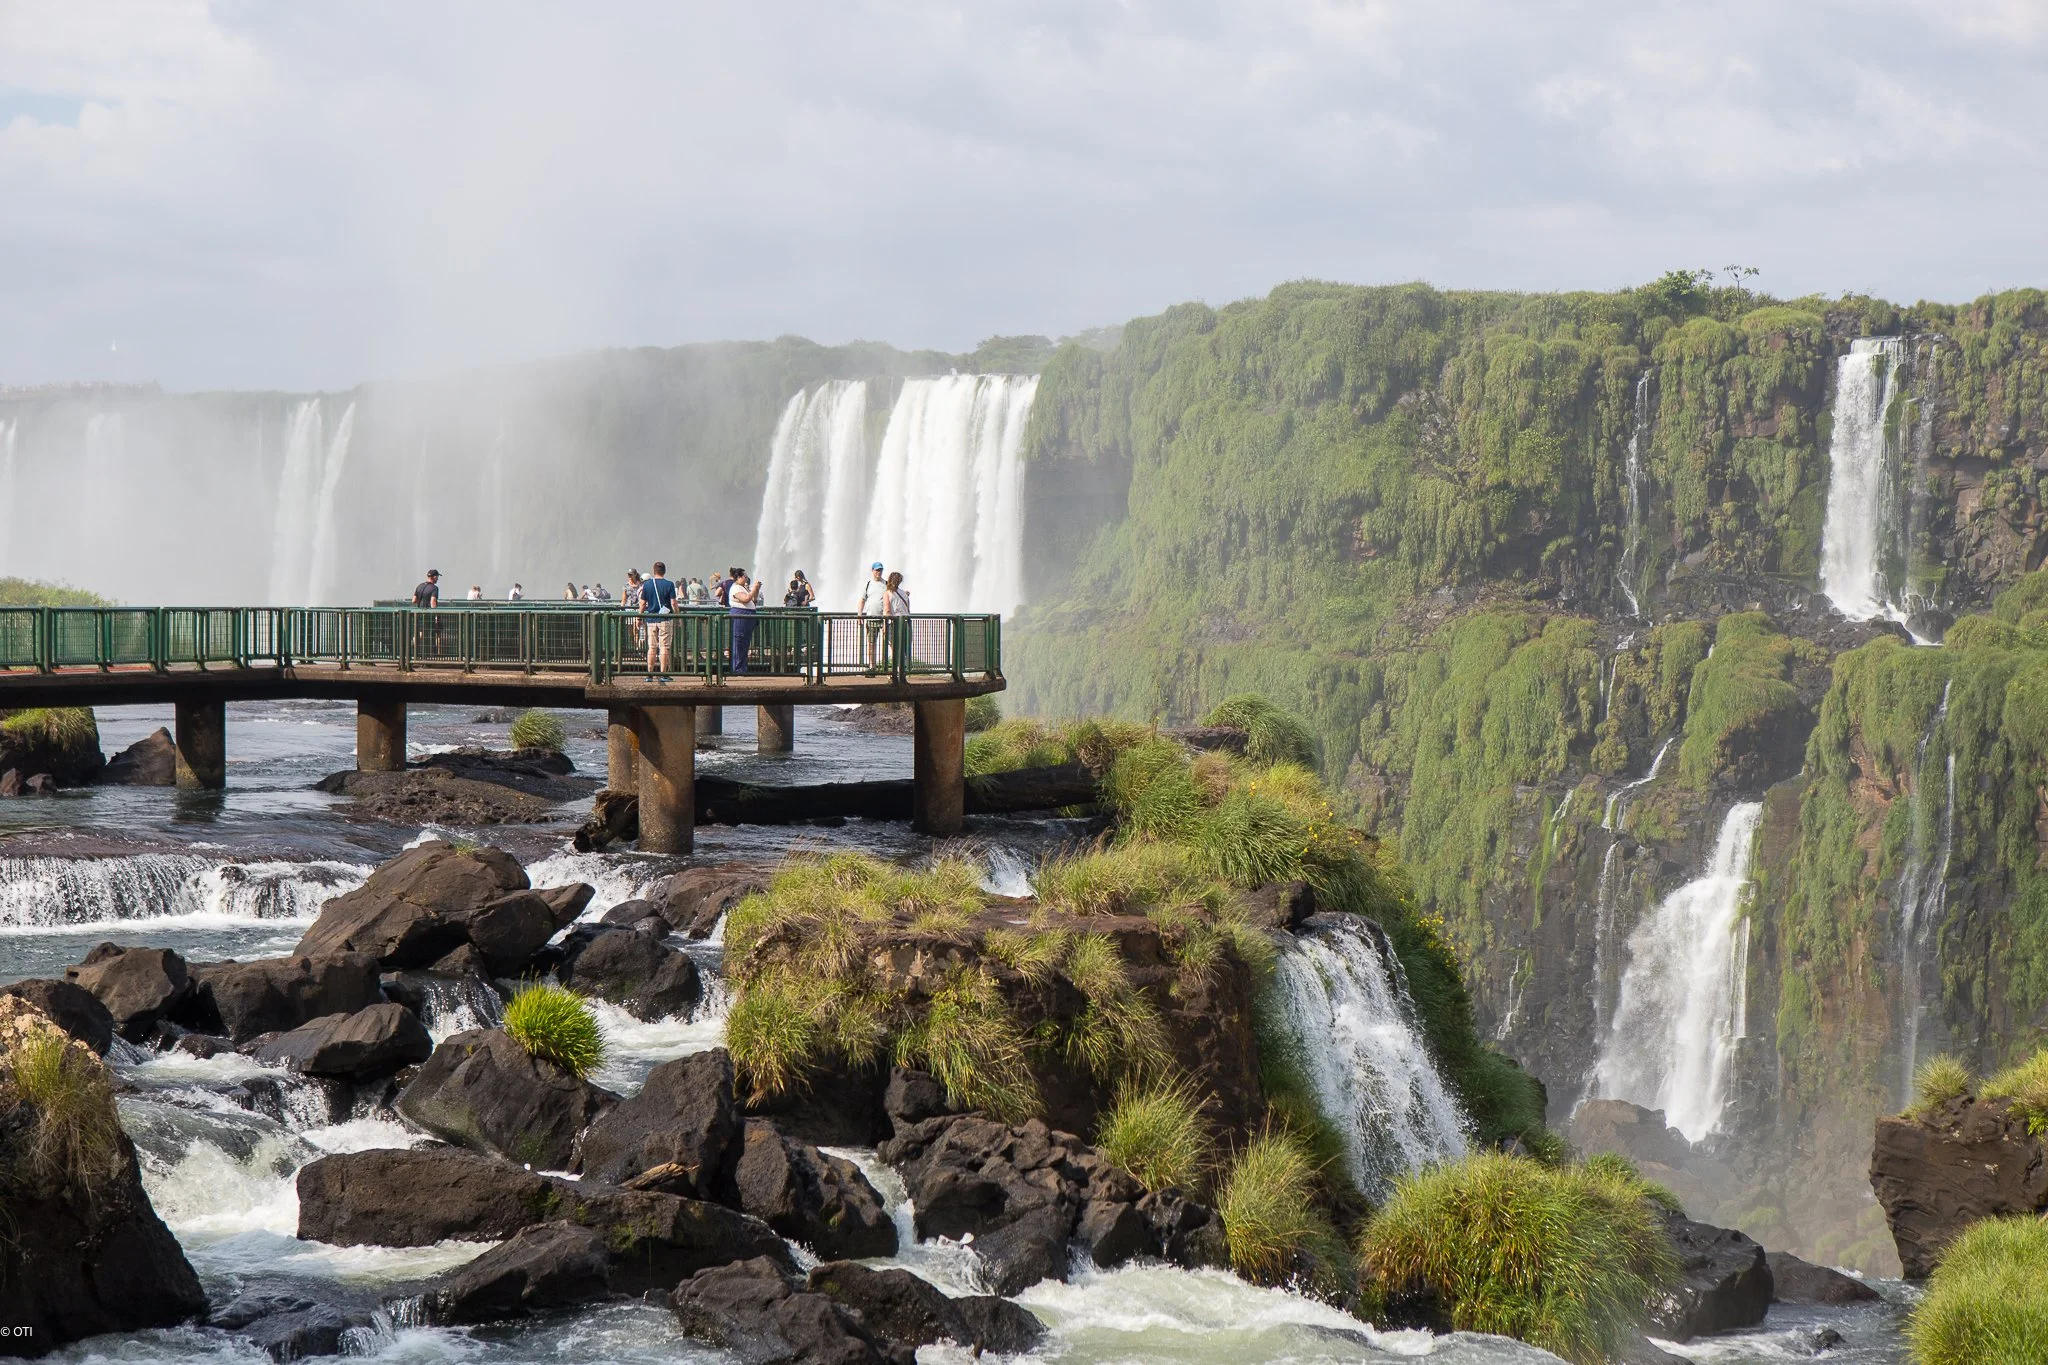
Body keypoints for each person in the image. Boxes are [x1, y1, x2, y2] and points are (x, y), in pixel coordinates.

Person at [641, 560, 679, 675]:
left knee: (652, 647)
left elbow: (642, 603)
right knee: (664, 647)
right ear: (664, 571)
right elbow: (673, 603)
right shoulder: (669, 584)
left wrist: (638, 617)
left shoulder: (647, 585)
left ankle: (650, 673)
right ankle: (663, 673)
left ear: (654, 571)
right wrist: (677, 615)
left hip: (651, 619)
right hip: (665, 619)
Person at [856, 562, 888, 672]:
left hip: (885, 619)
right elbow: (862, 600)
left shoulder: (886, 584)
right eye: (877, 570)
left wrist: (905, 593)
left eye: (880, 570)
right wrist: (859, 615)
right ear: (872, 571)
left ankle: (887, 667)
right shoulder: (868, 584)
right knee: (871, 643)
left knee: (888, 642)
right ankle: (872, 666)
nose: (879, 572)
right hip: (871, 618)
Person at [728, 569, 760, 674]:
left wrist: (757, 590)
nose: (746, 578)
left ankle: (742, 668)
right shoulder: (735, 588)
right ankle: (737, 669)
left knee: (745, 643)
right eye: (745, 576)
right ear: (739, 577)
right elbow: (746, 599)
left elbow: (753, 601)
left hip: (747, 617)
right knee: (739, 642)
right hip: (740, 616)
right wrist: (754, 589)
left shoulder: (743, 588)